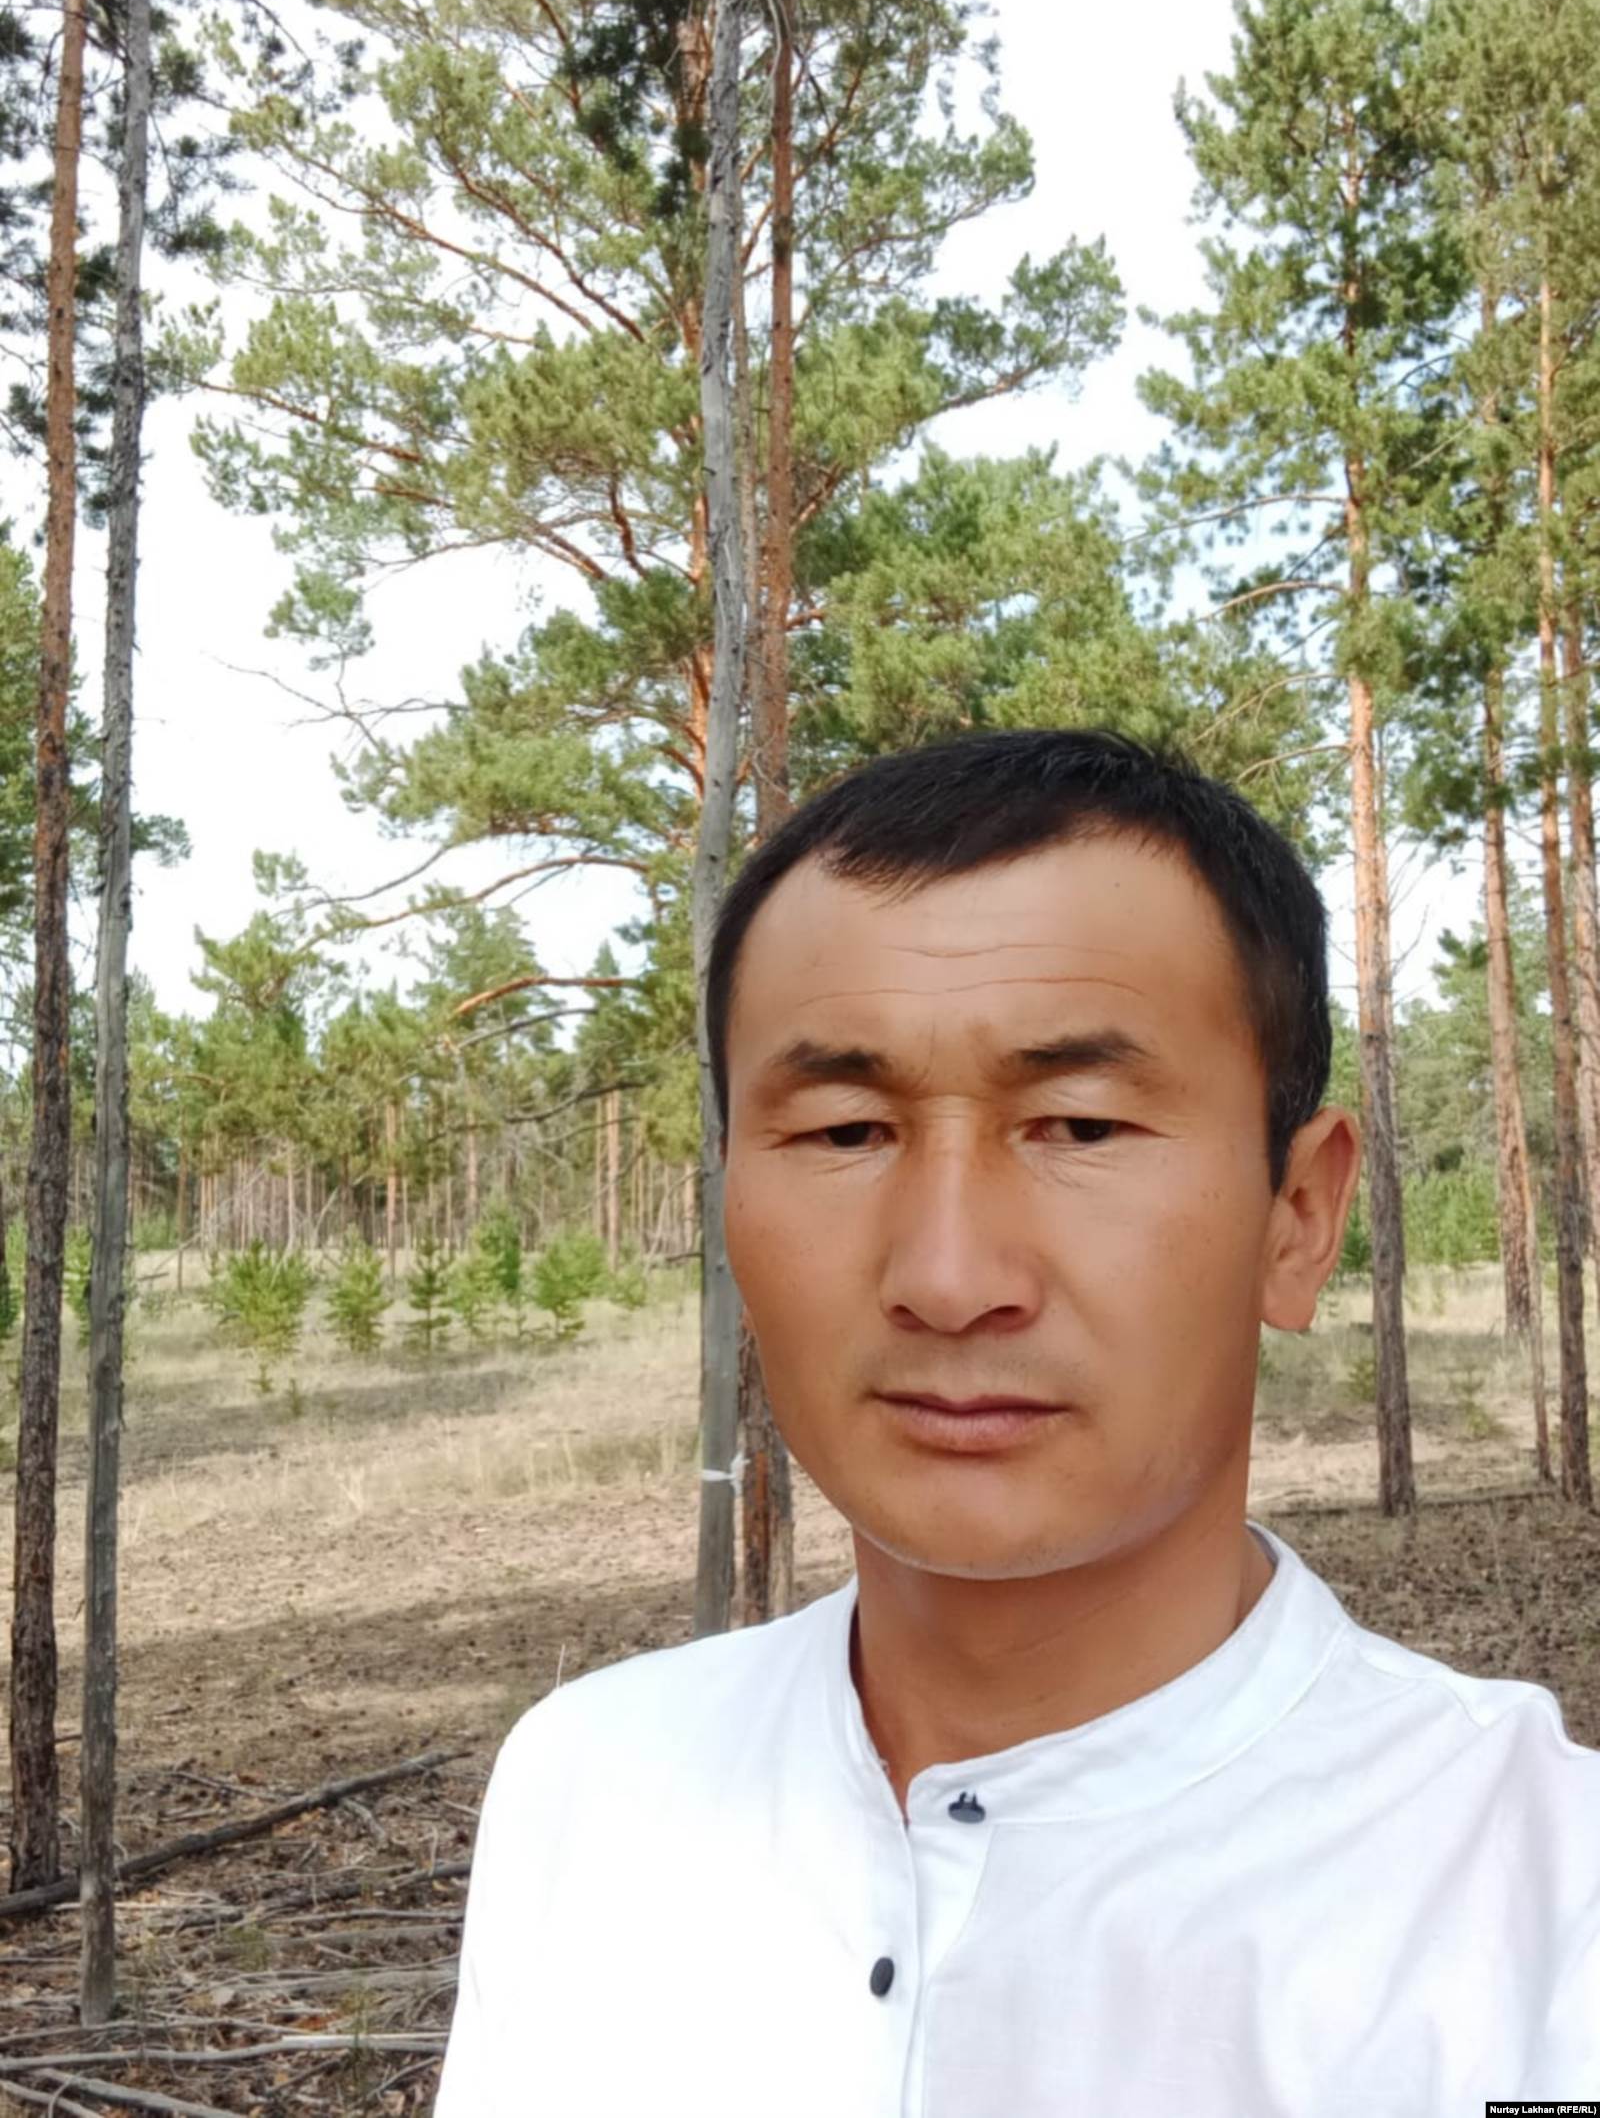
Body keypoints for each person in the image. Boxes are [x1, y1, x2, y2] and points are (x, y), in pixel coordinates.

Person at [434, 728, 1600, 2118]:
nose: (947, 1277)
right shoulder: (592, 1787)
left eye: (1081, 1126)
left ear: (1297, 1217)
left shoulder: (1542, 1910)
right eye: (846, 1131)